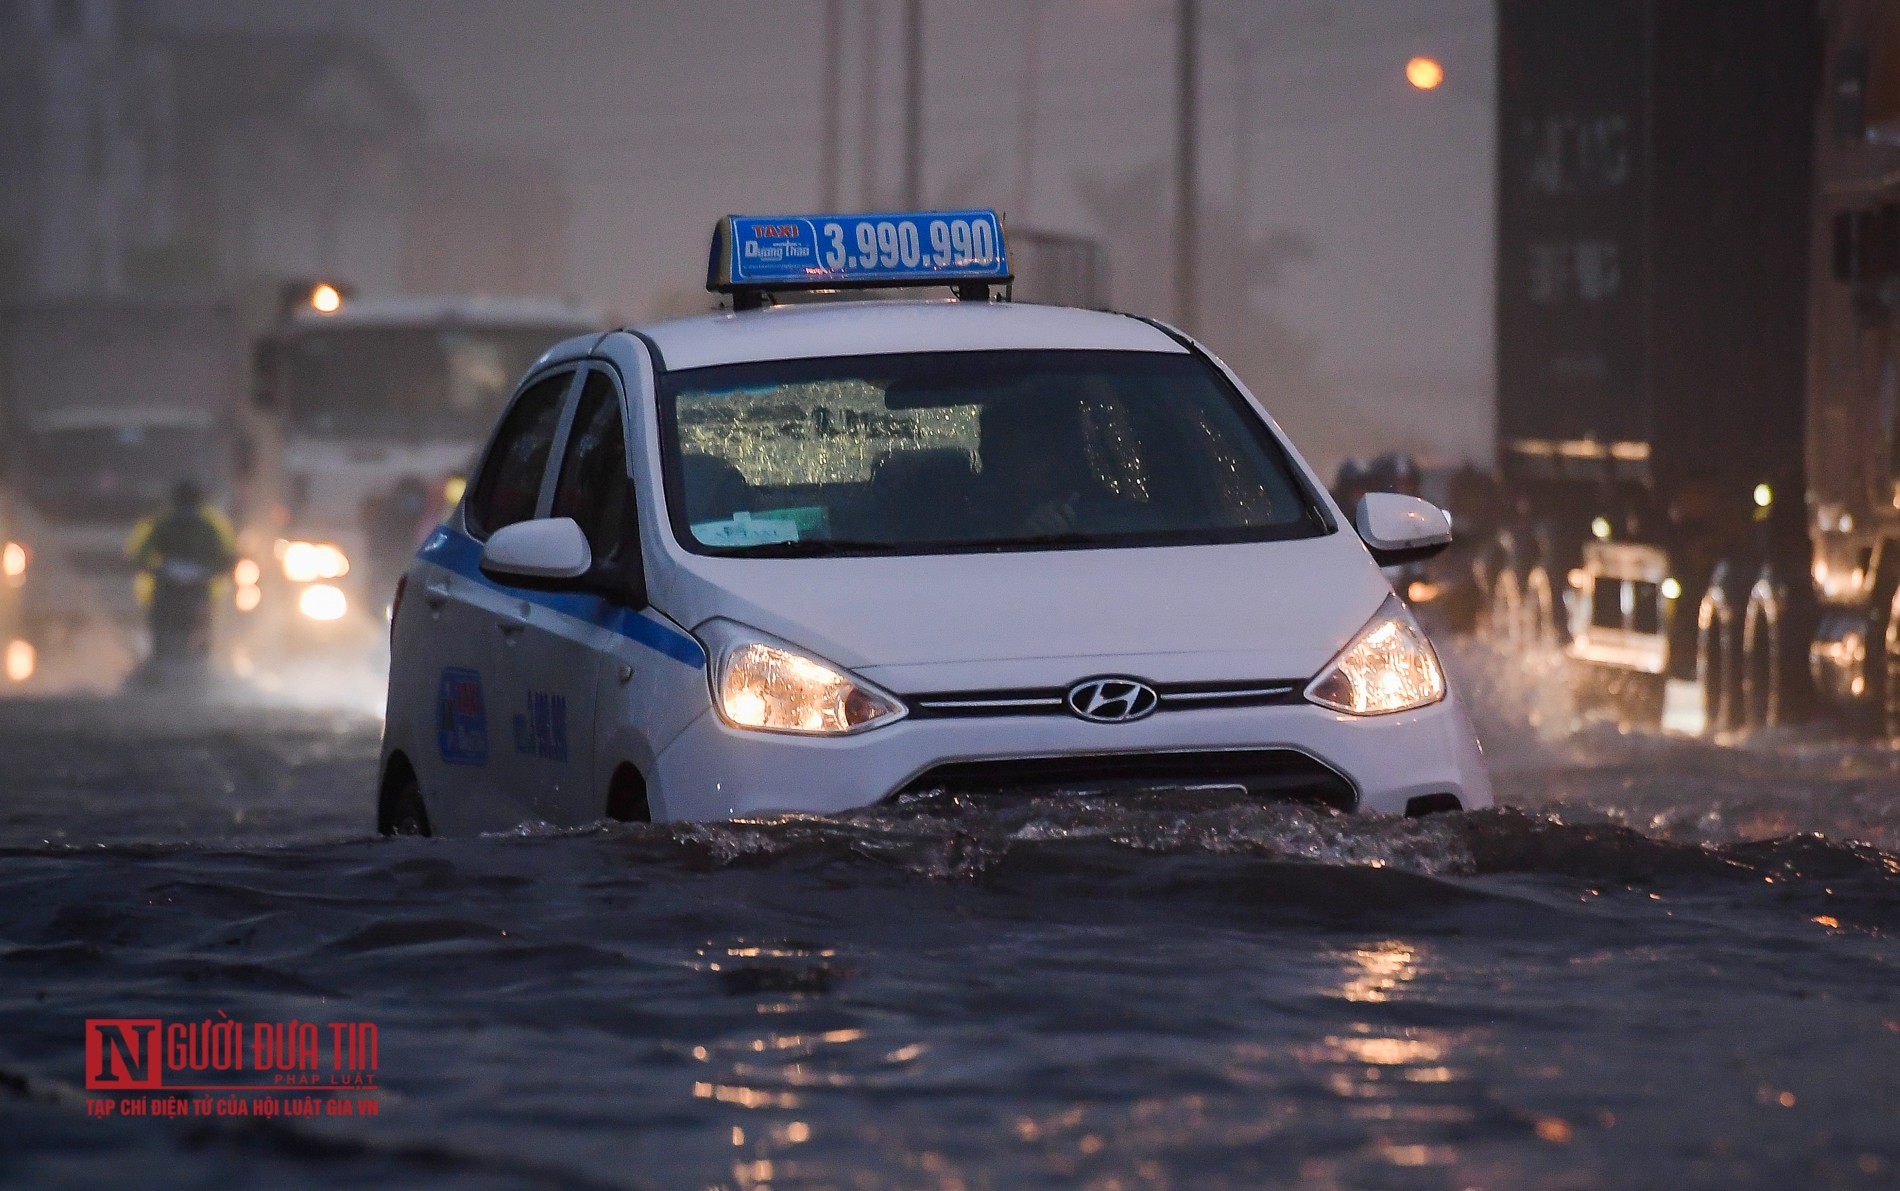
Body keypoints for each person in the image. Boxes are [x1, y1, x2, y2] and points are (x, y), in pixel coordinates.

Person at [127, 479, 237, 662]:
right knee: (172, 636)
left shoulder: (166, 525)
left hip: (187, 591)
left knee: (197, 635)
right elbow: (225, 559)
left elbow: (140, 555)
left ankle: (185, 668)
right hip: (174, 591)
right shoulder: (205, 528)